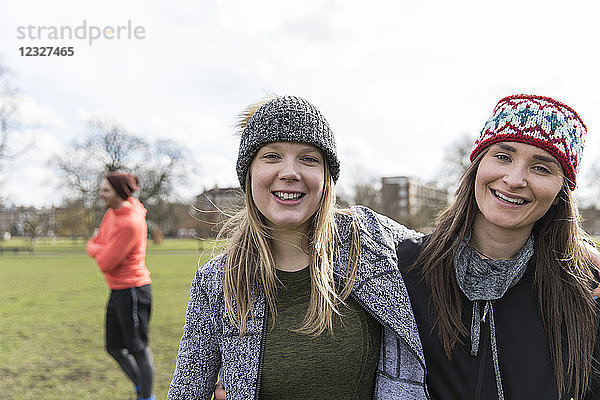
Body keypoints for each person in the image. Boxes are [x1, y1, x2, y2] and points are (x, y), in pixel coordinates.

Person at [167, 96, 429, 399]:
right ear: (248, 172)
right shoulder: (216, 282)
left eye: (308, 158)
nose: (290, 172)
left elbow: (455, 254)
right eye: (272, 156)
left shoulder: (370, 239)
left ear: (326, 178)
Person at [397, 94, 600, 399]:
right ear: (478, 165)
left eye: (542, 168)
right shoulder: (405, 267)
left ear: (562, 191)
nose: (515, 179)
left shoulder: (585, 289)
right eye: (503, 156)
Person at [86, 172, 155, 400]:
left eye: (105, 190)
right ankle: (140, 388)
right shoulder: (112, 213)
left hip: (133, 291)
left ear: (119, 192)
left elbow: (105, 261)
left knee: (138, 348)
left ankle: (146, 397)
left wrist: (95, 246)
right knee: (114, 348)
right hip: (116, 290)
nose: (100, 194)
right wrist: (98, 246)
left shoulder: (131, 222)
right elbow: (99, 246)